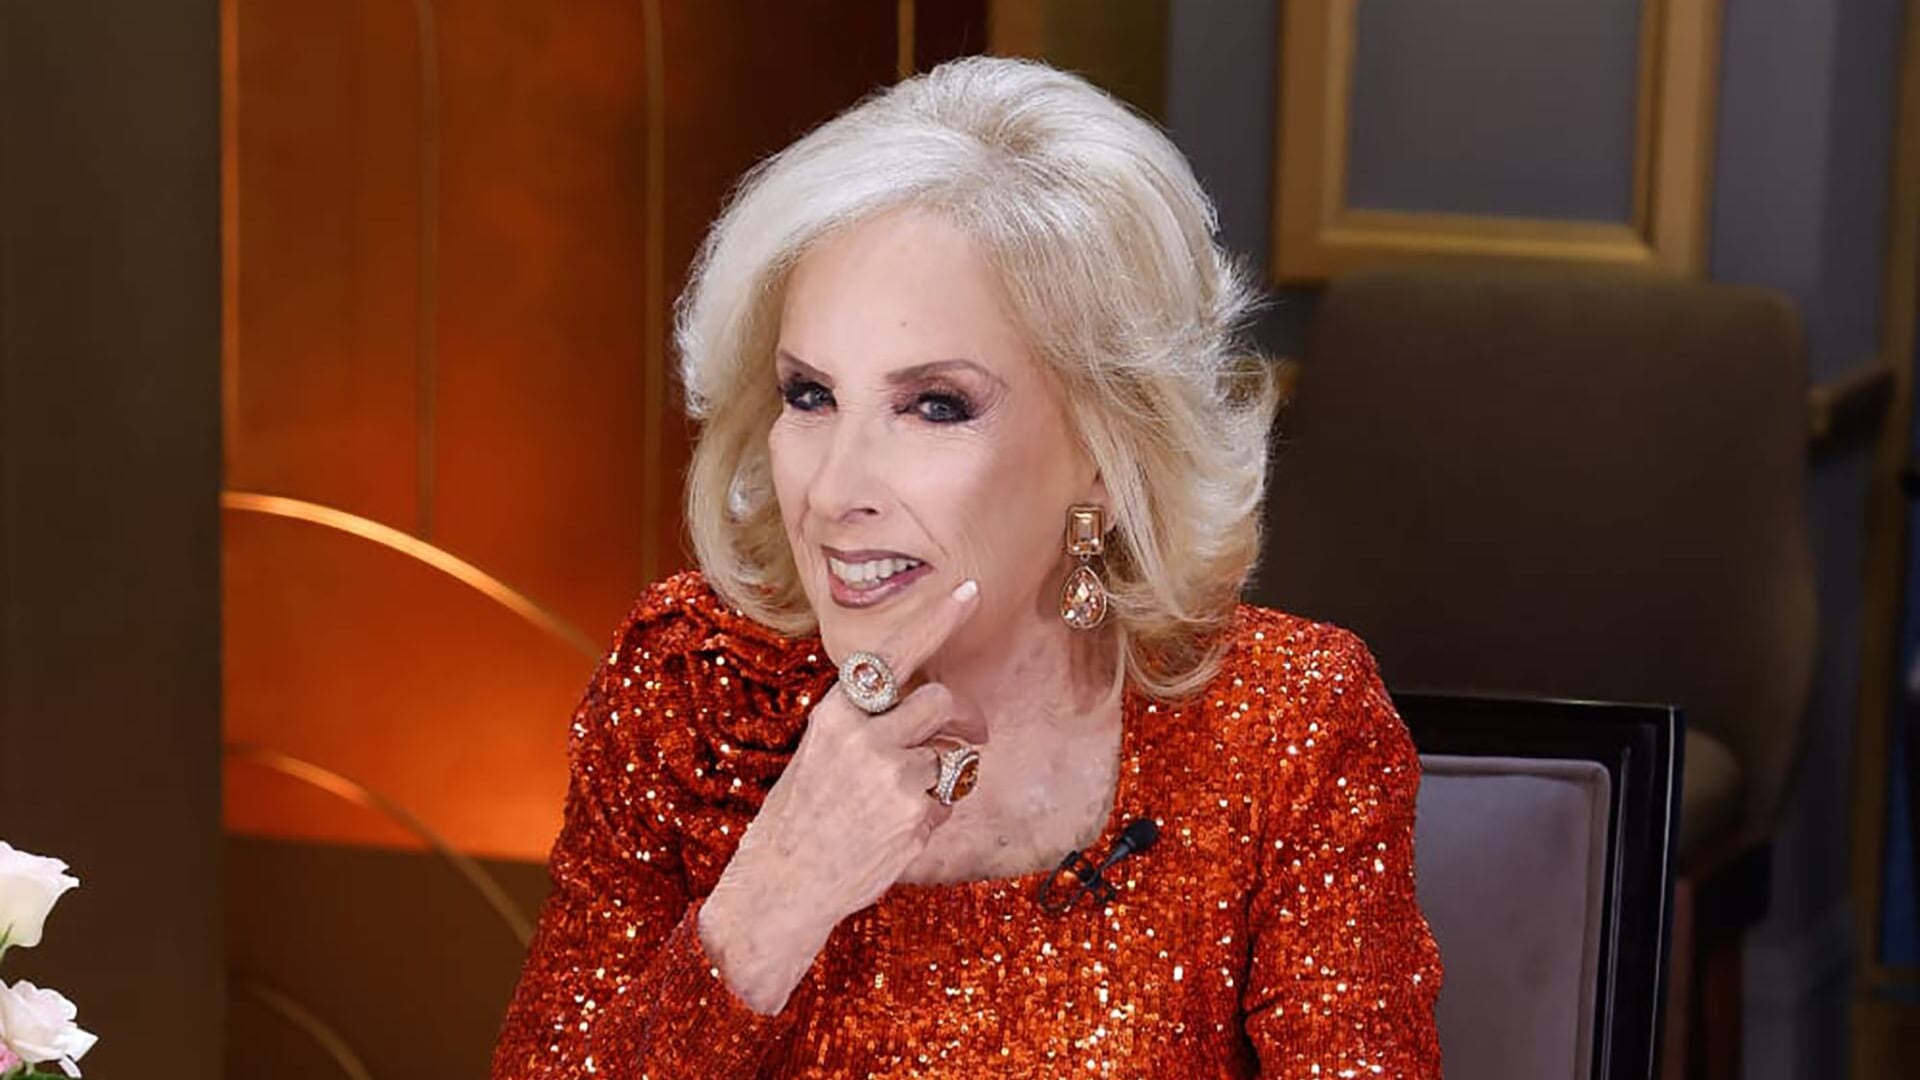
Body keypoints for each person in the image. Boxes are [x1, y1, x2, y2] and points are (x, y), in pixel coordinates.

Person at [491, 56, 1441, 1079]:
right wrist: (774, 898)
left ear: (1107, 448)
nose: (834, 490)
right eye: (810, 395)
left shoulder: (1287, 729)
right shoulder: (690, 690)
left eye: (934, 406)